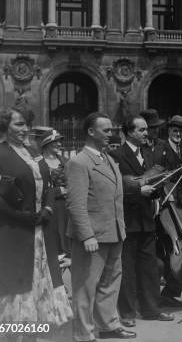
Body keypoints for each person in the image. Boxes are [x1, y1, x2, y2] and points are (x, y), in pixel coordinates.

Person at [0, 106, 72, 338]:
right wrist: (19, 216)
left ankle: (30, 334)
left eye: (26, 124)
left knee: (36, 286)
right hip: (9, 233)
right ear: (5, 126)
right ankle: (10, 335)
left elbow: (50, 185)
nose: (24, 129)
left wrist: (48, 208)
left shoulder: (33, 152)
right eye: (18, 124)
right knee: (12, 288)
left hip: (38, 234)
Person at [66, 112, 133, 341]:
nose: (111, 134)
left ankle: (107, 324)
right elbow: (76, 204)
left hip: (114, 232)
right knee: (85, 288)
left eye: (112, 130)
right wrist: (87, 236)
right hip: (92, 237)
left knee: (110, 283)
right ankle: (83, 334)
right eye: (106, 130)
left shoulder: (108, 159)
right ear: (90, 132)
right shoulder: (79, 162)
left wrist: (120, 228)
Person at [110, 115, 173, 326]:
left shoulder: (147, 153)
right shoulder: (116, 155)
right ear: (129, 132)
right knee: (127, 268)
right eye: (142, 130)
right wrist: (139, 190)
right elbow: (115, 189)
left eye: (147, 129)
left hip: (147, 219)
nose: (147, 133)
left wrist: (155, 189)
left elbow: (152, 184)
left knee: (149, 267)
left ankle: (152, 309)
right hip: (128, 219)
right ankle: (127, 313)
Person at [153, 114, 182, 307]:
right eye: (174, 130)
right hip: (165, 205)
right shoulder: (162, 149)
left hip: (178, 204)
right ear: (169, 131)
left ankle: (172, 290)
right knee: (167, 248)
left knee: (177, 248)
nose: (177, 134)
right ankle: (164, 291)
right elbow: (158, 173)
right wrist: (167, 189)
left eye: (180, 131)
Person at [39, 129, 70, 256]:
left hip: (66, 206)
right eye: (55, 142)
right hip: (48, 206)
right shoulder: (38, 163)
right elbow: (36, 187)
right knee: (52, 241)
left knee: (67, 239)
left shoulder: (66, 161)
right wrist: (57, 191)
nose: (59, 144)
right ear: (46, 144)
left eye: (59, 141)